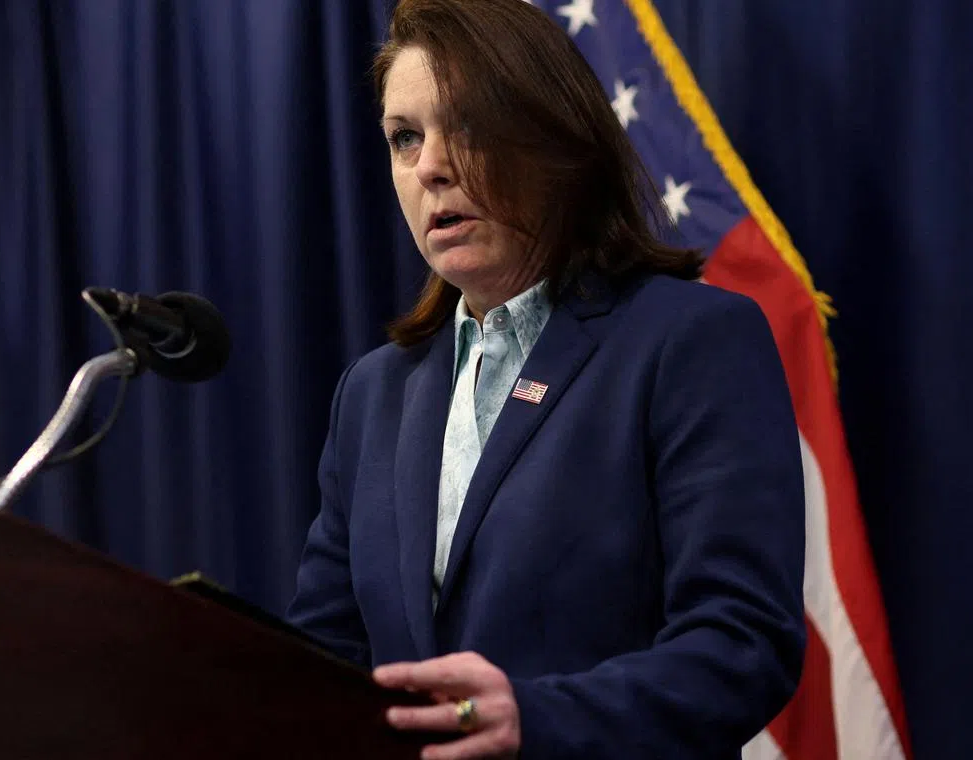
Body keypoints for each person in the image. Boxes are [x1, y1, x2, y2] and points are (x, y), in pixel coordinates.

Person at [286, 0, 807, 757]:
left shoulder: (688, 343)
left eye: (465, 124)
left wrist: (540, 720)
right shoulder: (374, 395)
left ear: (553, 137)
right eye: (404, 138)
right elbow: (321, 659)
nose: (430, 165)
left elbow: (742, 643)